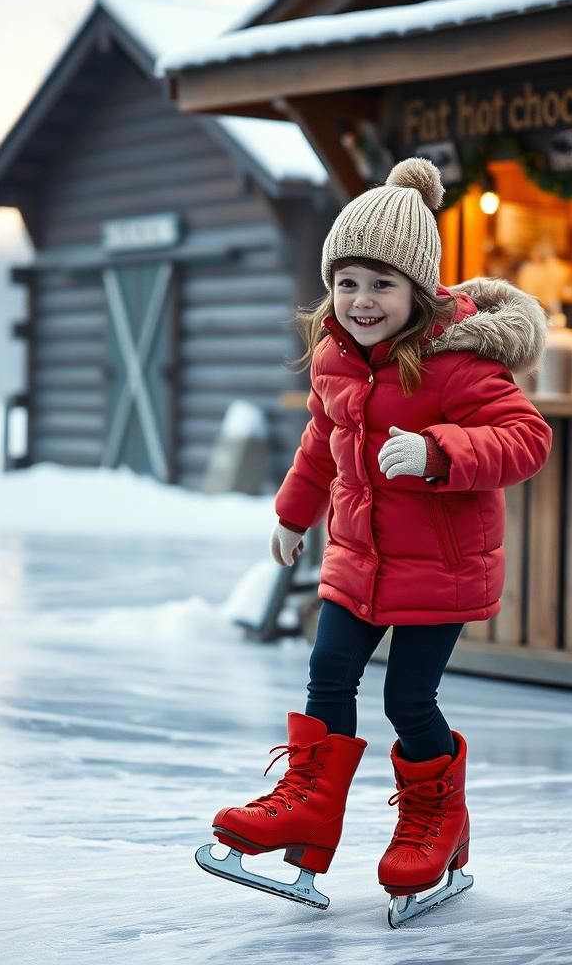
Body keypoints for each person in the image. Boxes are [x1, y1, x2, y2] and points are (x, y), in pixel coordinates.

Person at [196, 158, 551, 923]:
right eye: (347, 282)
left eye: (382, 284)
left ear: (417, 292)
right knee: (327, 674)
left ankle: (436, 822)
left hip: (440, 568)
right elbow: (321, 441)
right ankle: (306, 814)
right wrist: (293, 515)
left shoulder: (456, 361)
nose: (361, 301)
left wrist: (439, 453)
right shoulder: (333, 357)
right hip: (356, 557)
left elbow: (527, 439)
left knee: (407, 696)